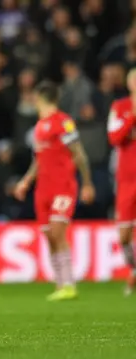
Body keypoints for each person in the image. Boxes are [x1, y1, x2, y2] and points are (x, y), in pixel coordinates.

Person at [14, 81, 95, 301]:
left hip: (63, 187)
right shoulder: (40, 126)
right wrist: (26, 181)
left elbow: (78, 154)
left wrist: (87, 183)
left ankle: (70, 284)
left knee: (59, 232)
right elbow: (39, 160)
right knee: (50, 236)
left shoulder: (64, 122)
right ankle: (60, 284)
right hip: (43, 190)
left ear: (41, 99)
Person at [107, 69, 136, 296]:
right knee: (124, 236)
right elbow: (114, 138)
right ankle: (134, 269)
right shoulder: (119, 106)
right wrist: (132, 116)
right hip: (126, 179)